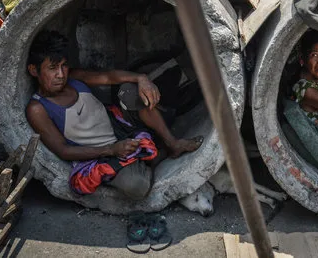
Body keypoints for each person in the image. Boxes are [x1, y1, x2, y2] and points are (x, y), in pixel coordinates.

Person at [25, 30, 203, 199]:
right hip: (101, 152)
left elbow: (108, 78)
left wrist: (141, 78)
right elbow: (63, 150)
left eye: (64, 66)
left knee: (130, 92)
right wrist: (111, 149)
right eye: (52, 68)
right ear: (34, 70)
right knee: (138, 187)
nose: (60, 74)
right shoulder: (38, 109)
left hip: (118, 125)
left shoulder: (74, 78)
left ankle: (171, 143)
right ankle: (153, 153)